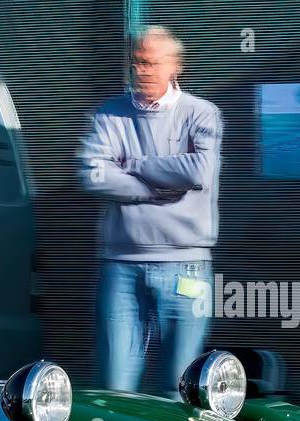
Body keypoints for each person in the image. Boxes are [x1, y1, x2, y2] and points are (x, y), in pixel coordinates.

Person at [78, 26, 223, 395]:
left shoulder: (201, 114)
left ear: (175, 66)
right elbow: (93, 175)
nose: (141, 70)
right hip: (122, 266)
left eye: (151, 63)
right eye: (137, 62)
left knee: (180, 386)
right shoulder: (110, 114)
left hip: (186, 266)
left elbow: (198, 172)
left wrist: (133, 163)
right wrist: (157, 186)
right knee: (116, 387)